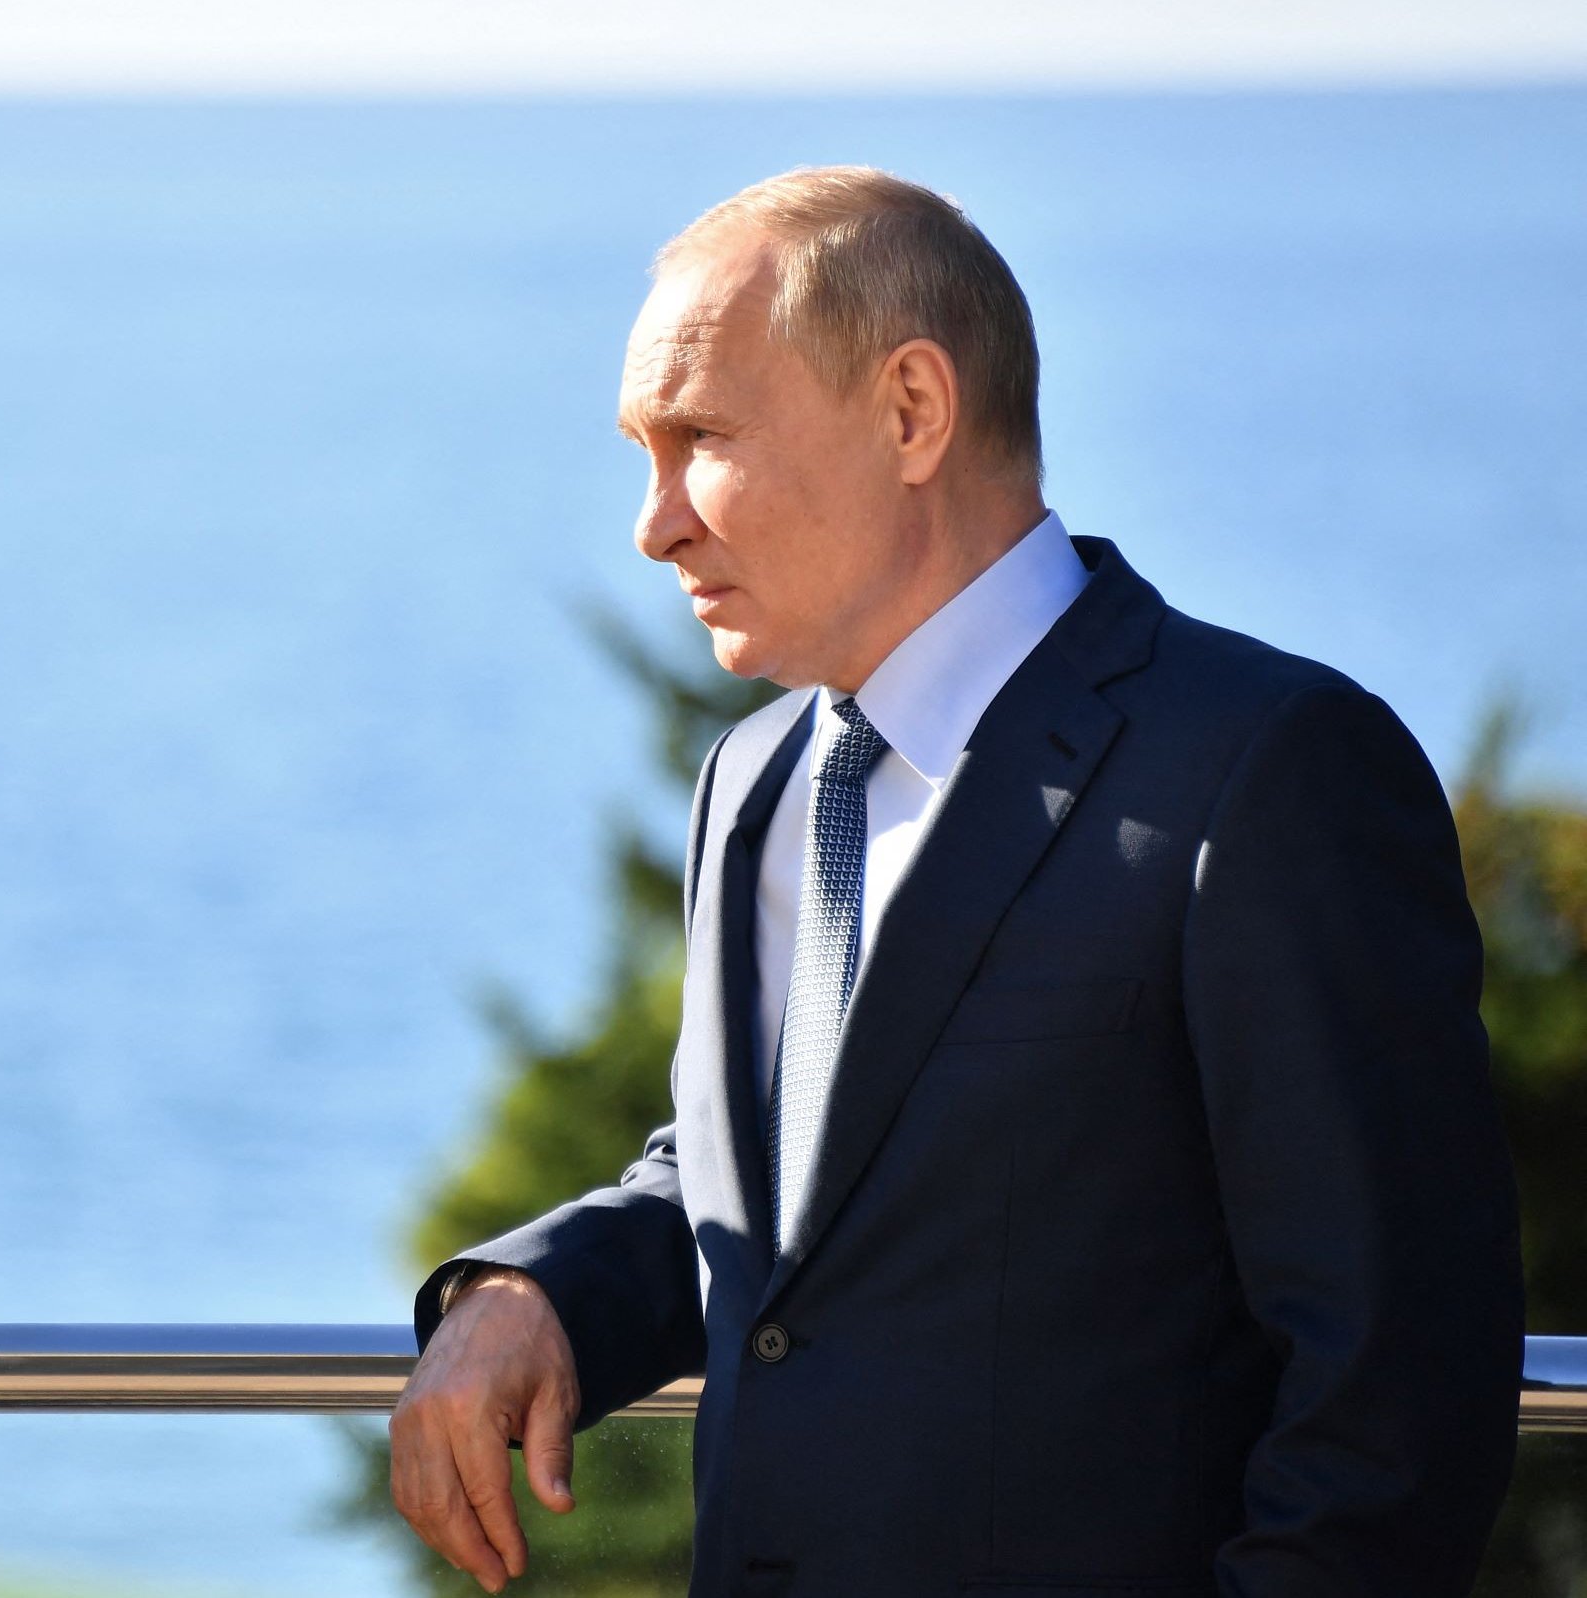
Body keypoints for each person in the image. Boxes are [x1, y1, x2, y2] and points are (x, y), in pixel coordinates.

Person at [387, 166, 1523, 1597]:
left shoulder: (1267, 770)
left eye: (701, 439)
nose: (654, 521)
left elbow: (1398, 1397)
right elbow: (791, 1192)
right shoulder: (755, 783)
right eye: (642, 452)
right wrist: (532, 1291)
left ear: (913, 410)